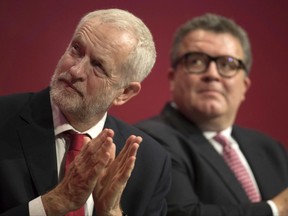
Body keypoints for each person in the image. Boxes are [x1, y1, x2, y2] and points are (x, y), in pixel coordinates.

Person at [0, 8, 171, 216]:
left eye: (98, 66)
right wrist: (54, 203)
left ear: (125, 93)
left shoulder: (150, 162)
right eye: (76, 49)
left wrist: (111, 212)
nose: (75, 71)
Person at [135, 13, 288, 216]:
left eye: (227, 64)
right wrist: (274, 209)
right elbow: (180, 213)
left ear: (244, 85)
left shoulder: (271, 149)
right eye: (197, 61)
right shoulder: (148, 140)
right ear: (172, 78)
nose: (213, 74)